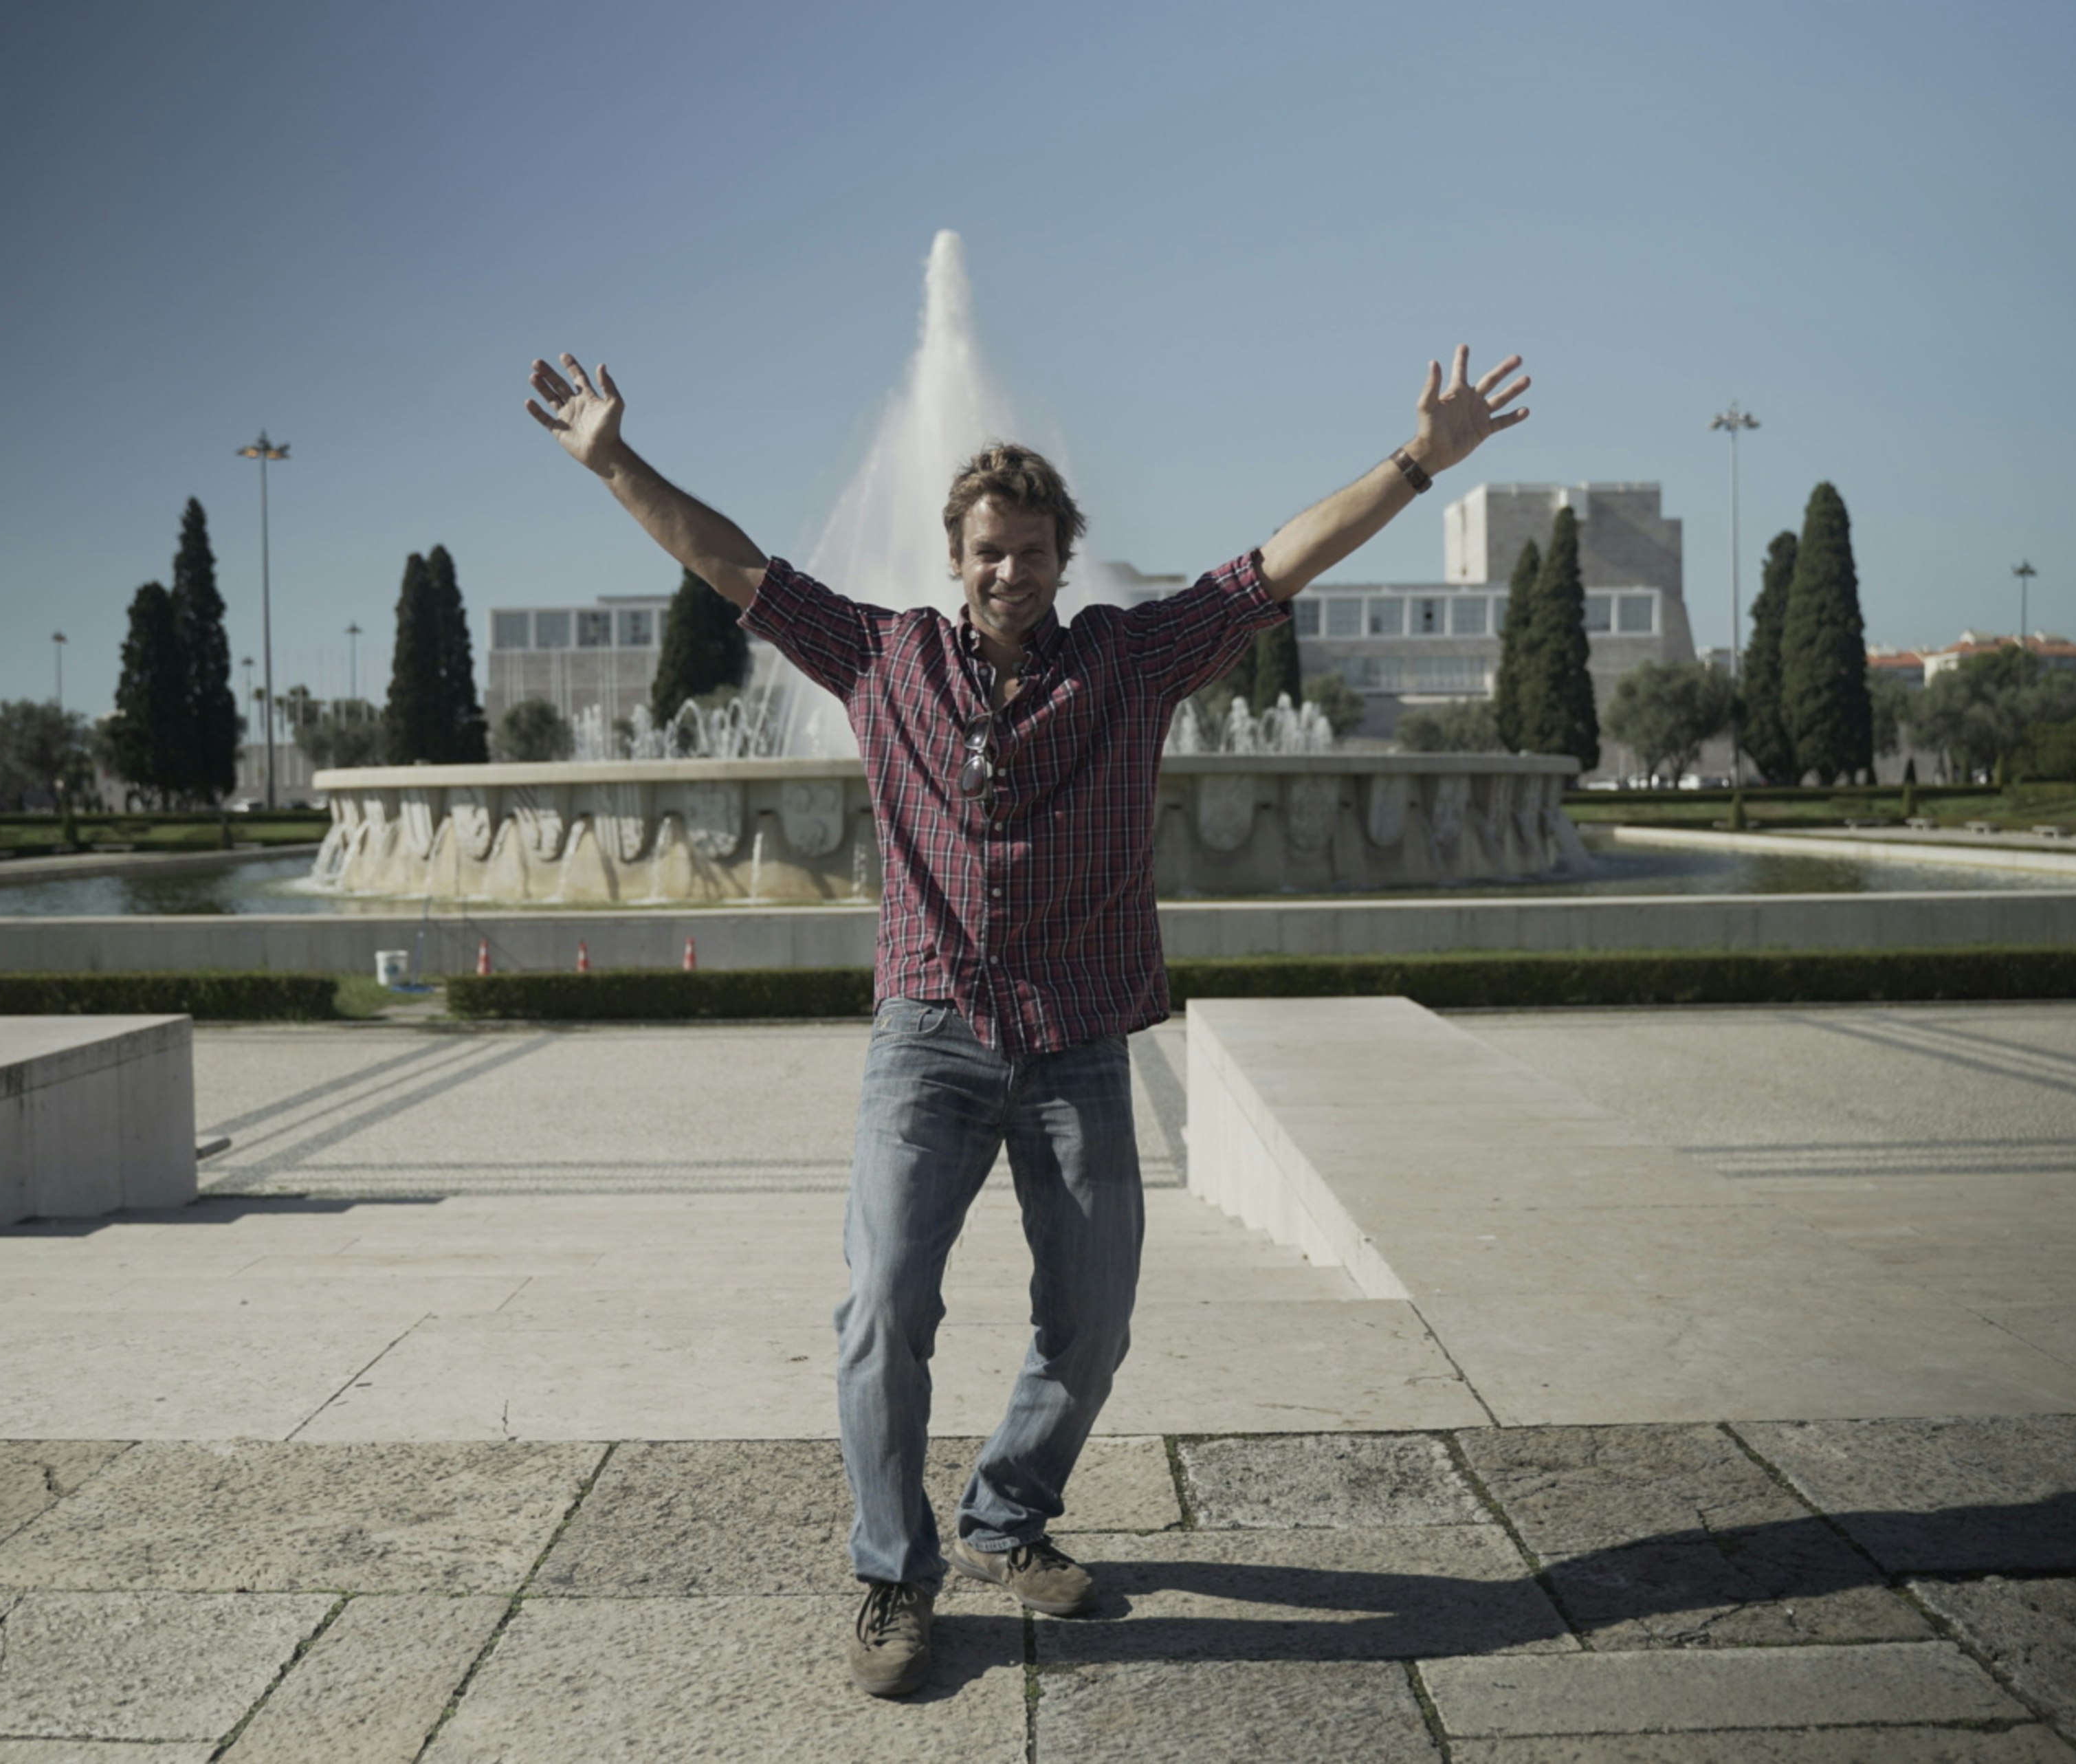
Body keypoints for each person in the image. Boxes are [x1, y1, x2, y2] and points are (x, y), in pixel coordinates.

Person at [524, 344, 1530, 1697]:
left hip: (1079, 1040)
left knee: (1096, 1315)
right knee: (883, 1301)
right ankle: (893, 1573)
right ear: (958, 553)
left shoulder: (1130, 660)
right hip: (928, 1034)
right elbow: (735, 567)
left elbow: (1276, 565)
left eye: (1035, 551)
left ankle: (1009, 1510)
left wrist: (1419, 463)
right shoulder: (881, 656)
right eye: (990, 550)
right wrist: (613, 464)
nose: (1011, 572)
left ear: (1065, 558)